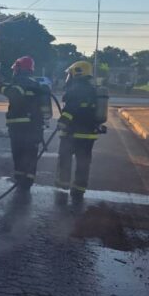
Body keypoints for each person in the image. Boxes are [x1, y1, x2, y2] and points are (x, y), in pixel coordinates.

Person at [0, 56, 46, 191]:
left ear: (19, 68)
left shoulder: (20, 81)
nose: (14, 71)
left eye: (15, 69)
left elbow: (15, 94)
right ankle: (26, 182)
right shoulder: (34, 83)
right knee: (30, 155)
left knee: (18, 154)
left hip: (19, 127)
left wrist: (0, 88)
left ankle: (20, 181)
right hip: (34, 127)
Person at [55, 60, 100, 205]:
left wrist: (63, 121)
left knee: (65, 157)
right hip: (89, 134)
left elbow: (71, 109)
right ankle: (79, 189)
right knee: (83, 163)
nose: (69, 77)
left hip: (73, 133)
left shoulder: (76, 88)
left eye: (70, 74)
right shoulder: (92, 89)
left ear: (78, 72)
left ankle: (63, 185)